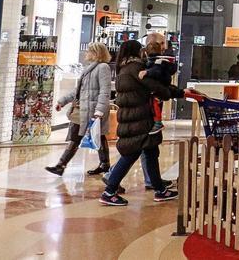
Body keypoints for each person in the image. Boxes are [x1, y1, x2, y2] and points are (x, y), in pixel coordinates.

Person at [100, 40, 183, 206]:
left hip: (134, 116)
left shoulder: (124, 68)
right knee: (131, 154)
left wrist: (179, 92)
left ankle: (160, 190)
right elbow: (156, 87)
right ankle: (109, 191)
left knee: (151, 153)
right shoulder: (136, 68)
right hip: (140, 118)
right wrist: (178, 93)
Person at [46, 43, 114, 177]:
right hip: (82, 110)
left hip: (92, 111)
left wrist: (99, 110)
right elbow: (78, 91)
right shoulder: (88, 69)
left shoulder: (103, 68)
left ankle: (61, 165)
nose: (86, 53)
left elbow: (105, 91)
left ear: (96, 53)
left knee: (83, 136)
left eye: (89, 51)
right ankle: (104, 164)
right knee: (92, 136)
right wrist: (63, 101)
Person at [140, 35, 178, 135]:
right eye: (161, 44)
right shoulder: (151, 62)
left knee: (155, 105)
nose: (164, 47)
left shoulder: (158, 61)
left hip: (155, 94)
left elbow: (158, 73)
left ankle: (157, 123)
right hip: (145, 115)